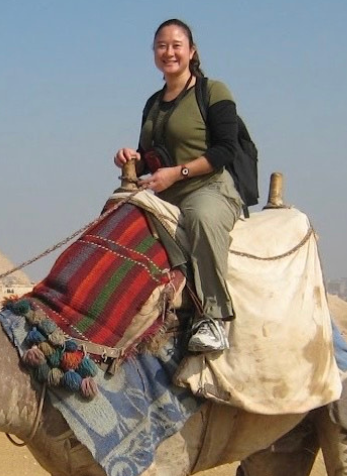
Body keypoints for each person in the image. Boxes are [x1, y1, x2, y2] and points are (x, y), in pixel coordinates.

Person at [114, 18, 244, 353]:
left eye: (176, 45)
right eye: (161, 45)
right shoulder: (153, 103)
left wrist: (178, 174)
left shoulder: (213, 91)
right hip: (164, 196)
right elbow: (152, 155)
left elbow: (224, 150)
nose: (168, 52)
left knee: (201, 218)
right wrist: (134, 158)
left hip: (209, 190)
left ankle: (214, 319)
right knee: (117, 218)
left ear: (191, 51)